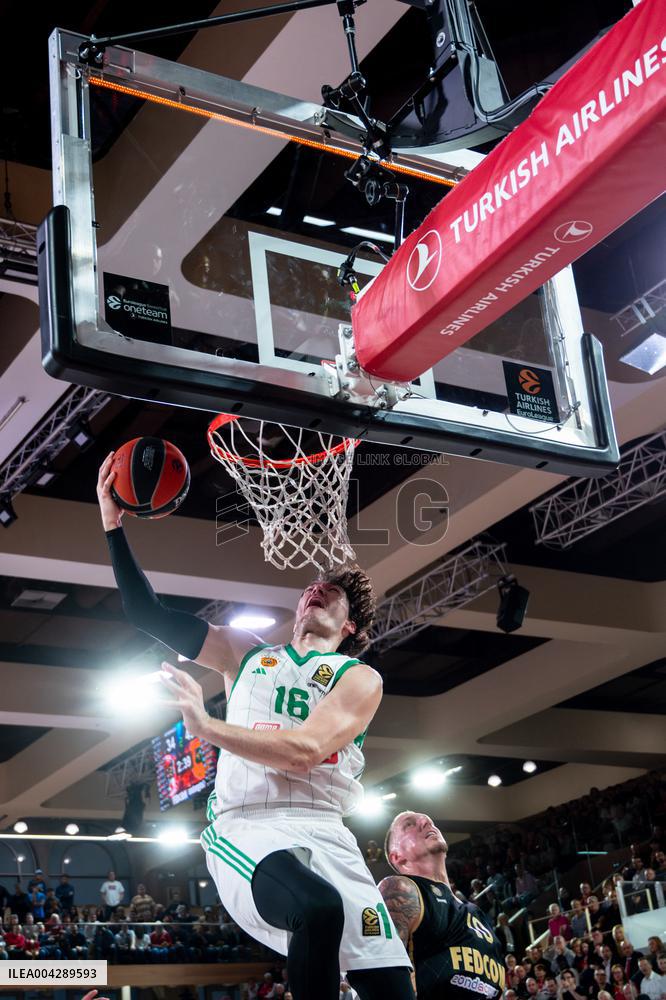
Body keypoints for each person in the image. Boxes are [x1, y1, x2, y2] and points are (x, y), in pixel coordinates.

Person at [97, 453, 413, 1000]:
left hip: (326, 829)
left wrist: (206, 725)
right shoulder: (244, 652)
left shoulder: (359, 678)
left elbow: (305, 750)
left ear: (351, 625)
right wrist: (112, 524)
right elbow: (145, 613)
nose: (317, 589)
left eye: (332, 593)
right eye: (312, 587)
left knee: (392, 986)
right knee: (316, 907)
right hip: (249, 825)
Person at [378, 811, 505, 1000]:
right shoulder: (400, 890)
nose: (425, 822)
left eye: (428, 821)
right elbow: (382, 976)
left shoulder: (477, 913)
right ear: (397, 857)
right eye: (409, 824)